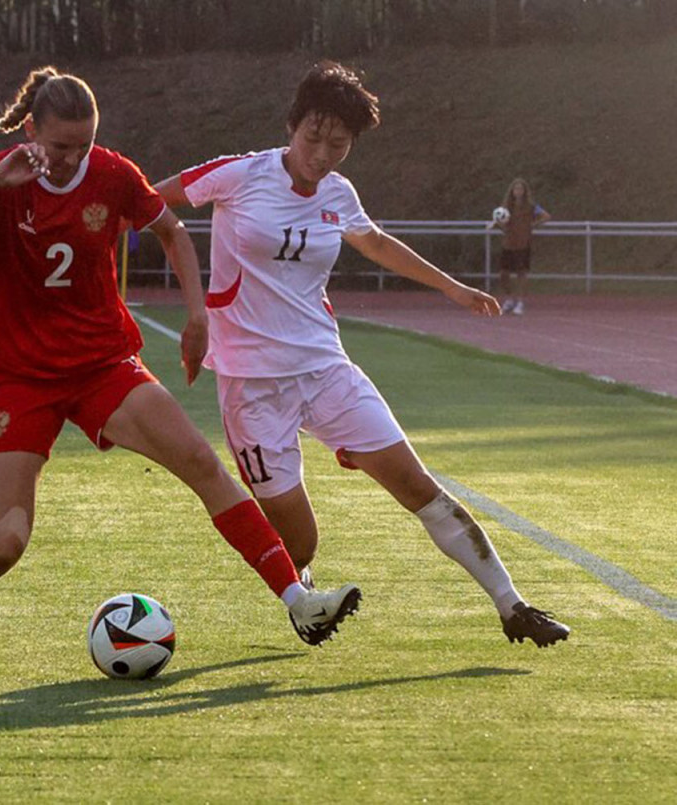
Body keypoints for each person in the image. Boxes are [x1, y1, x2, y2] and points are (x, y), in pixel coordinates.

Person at [0, 66, 363, 671]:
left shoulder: (112, 172)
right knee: (3, 544)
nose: (70, 159)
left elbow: (172, 229)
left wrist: (197, 317)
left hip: (104, 364)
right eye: (59, 147)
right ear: (32, 130)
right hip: (23, 378)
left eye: (82, 145)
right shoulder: (9, 171)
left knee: (203, 465)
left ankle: (298, 599)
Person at [155, 61, 569, 647]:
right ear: (292, 126)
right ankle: (303, 601)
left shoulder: (338, 192)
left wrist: (453, 287)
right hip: (252, 387)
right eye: (313, 137)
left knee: (418, 485)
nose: (322, 154)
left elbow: (374, 241)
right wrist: (197, 309)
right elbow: (145, 204)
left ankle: (512, 604)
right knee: (300, 541)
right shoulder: (239, 175)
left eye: (339, 144)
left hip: (327, 371)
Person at [492, 178, 550, 315]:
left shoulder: (530, 206)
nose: (518, 192)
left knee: (521, 273)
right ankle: (510, 299)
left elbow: (546, 216)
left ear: (525, 191)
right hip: (508, 243)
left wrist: (532, 225)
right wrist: (496, 224)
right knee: (503, 274)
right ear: (511, 191)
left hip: (523, 243)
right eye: (515, 189)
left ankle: (520, 302)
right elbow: (501, 223)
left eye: (521, 189)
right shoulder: (506, 207)